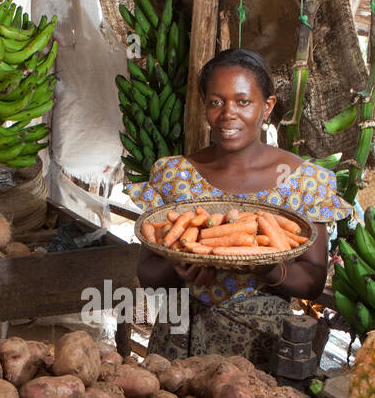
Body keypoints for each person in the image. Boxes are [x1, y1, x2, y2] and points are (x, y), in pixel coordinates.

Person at [130, 48, 351, 368]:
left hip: (261, 346)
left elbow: (313, 279)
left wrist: (269, 268)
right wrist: (176, 271)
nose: (228, 113)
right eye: (216, 102)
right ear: (204, 106)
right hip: (177, 343)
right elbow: (147, 273)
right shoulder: (173, 175)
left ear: (267, 107)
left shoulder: (305, 181)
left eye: (243, 101)